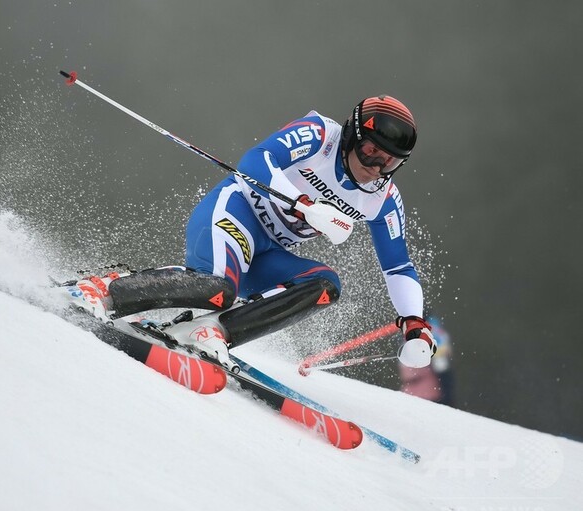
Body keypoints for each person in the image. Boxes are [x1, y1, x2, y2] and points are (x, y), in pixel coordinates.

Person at [69, 95, 437, 370]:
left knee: (326, 285)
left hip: (270, 251)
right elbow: (255, 160)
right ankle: (105, 289)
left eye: (390, 162)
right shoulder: (321, 136)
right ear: (353, 137)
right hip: (235, 214)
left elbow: (398, 266)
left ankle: (210, 332)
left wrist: (414, 322)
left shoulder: (383, 199)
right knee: (218, 289)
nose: (376, 167)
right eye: (372, 151)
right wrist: (304, 204)